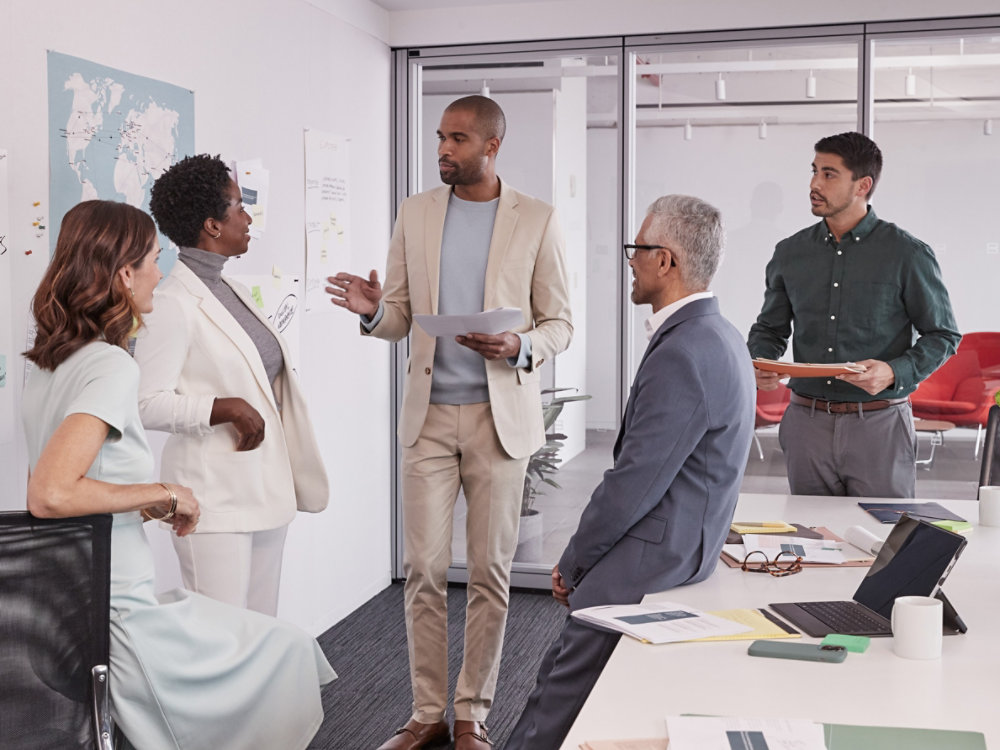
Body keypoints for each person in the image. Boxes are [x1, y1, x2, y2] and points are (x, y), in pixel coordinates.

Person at [22, 200, 336, 749]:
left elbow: (82, 482)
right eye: (150, 260)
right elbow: (50, 493)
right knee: (290, 653)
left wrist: (154, 503)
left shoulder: (48, 363)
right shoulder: (112, 365)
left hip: (77, 597)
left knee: (270, 641)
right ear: (123, 274)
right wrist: (169, 493)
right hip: (125, 612)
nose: (158, 274)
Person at [326, 95, 572, 750]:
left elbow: (559, 324)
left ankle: (473, 713)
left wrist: (520, 346)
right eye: (440, 137)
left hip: (500, 423)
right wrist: (374, 311)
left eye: (458, 139)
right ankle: (426, 713)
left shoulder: (538, 220)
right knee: (424, 571)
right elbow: (401, 317)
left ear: (492, 146)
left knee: (490, 575)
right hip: (429, 419)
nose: (444, 149)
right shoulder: (417, 212)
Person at [505, 195, 755, 750]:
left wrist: (574, 562)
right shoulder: (721, 335)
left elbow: (634, 481)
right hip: (691, 542)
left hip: (657, 552)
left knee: (558, 689)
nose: (630, 261)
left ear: (666, 261)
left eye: (636, 249)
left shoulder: (684, 350)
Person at [133, 154, 328, 616]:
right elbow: (144, 404)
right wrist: (223, 407)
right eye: (239, 207)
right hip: (214, 499)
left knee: (261, 634)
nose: (248, 218)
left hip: (265, 490)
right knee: (219, 638)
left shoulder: (230, 289)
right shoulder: (173, 303)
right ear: (211, 225)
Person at [747, 132, 960, 497]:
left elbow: (943, 335)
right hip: (805, 424)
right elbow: (770, 327)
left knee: (885, 539)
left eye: (829, 174)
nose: (814, 184)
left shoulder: (907, 254)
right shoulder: (789, 253)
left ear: (863, 185)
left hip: (880, 424)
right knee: (811, 542)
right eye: (814, 171)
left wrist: (895, 371)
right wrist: (760, 359)